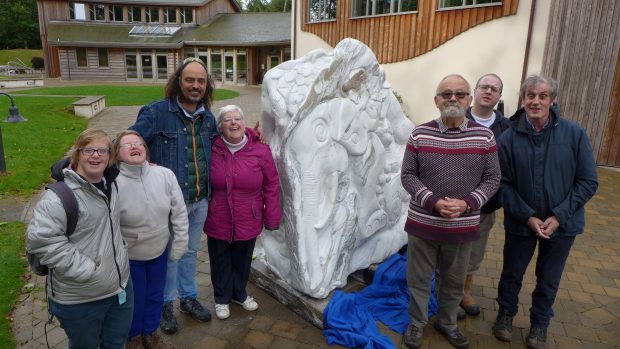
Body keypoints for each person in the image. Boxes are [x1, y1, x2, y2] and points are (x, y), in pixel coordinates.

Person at [492, 75, 598, 349]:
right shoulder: (508, 137)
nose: (535, 101)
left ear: (552, 100)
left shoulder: (574, 134)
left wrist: (560, 215)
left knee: (548, 278)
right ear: (523, 99)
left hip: (562, 225)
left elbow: (588, 181)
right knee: (511, 273)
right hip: (521, 222)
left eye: (542, 96)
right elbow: (500, 184)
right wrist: (527, 215)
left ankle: (540, 324)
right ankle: (505, 315)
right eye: (530, 95)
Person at [401, 74, 500, 349]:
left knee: (454, 282)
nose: (452, 98)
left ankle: (447, 323)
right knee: (419, 280)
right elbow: (408, 175)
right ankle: (417, 324)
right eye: (446, 94)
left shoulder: (484, 136)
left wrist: (467, 203)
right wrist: (432, 201)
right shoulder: (419, 133)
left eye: (459, 93)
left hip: (463, 226)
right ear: (436, 100)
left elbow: (493, 178)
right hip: (423, 224)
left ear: (469, 99)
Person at [130, 57, 218, 334]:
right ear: (178, 81)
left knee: (190, 251)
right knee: (170, 255)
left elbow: (223, 143)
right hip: (168, 205)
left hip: (199, 200)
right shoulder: (156, 113)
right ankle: (166, 304)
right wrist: (87, 159)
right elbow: (129, 142)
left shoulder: (208, 117)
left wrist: (255, 134)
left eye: (200, 81)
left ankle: (188, 297)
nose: (195, 85)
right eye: (189, 79)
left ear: (206, 85)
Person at [26, 128, 132, 348]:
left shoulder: (110, 183)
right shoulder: (58, 196)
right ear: (77, 154)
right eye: (89, 150)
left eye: (102, 150)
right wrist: (88, 270)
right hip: (80, 298)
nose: (96, 155)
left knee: (116, 343)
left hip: (119, 288)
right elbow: (42, 241)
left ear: (110, 156)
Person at [204, 105, 282, 320]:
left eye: (237, 118)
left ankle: (239, 293)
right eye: (227, 120)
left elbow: (272, 184)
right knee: (219, 259)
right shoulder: (211, 146)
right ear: (220, 127)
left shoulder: (260, 148)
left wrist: (272, 216)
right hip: (218, 214)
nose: (233, 123)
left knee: (243, 258)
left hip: (249, 214)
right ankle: (221, 298)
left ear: (244, 122)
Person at [114, 130, 189, 349]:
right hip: (130, 256)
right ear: (116, 154)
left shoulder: (164, 174)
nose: (135, 146)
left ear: (146, 149)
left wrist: (180, 243)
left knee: (156, 296)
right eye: (127, 145)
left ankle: (151, 333)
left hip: (159, 250)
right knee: (134, 301)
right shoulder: (112, 182)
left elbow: (179, 211)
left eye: (139, 143)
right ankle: (134, 337)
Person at [458, 73, 511, 317]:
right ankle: (446, 291)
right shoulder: (456, 118)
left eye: (494, 89)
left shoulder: (507, 128)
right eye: (484, 87)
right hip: (454, 203)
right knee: (449, 248)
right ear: (475, 92)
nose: (488, 91)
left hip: (486, 205)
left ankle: (464, 292)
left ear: (500, 96)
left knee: (474, 251)